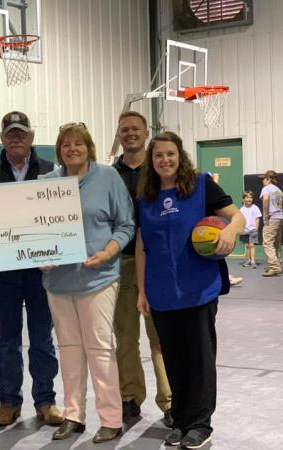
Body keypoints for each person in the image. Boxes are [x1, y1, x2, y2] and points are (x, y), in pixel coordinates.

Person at [135, 132, 244, 449]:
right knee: (174, 358)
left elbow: (237, 216)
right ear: (151, 161)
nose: (165, 160)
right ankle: (180, 419)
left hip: (198, 289)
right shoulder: (146, 196)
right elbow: (142, 246)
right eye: (158, 156)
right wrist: (141, 290)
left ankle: (200, 423)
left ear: (180, 156)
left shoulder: (200, 185)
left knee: (199, 358)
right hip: (161, 291)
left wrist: (230, 234)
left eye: (170, 154)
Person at [43, 122, 135, 443]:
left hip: (99, 277)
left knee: (100, 348)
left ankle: (111, 419)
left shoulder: (108, 177)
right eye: (66, 145)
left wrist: (108, 252)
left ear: (89, 147)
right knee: (68, 349)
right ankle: (73, 416)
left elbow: (125, 224)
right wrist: (39, 256)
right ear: (59, 150)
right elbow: (31, 230)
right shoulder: (46, 184)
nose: (72, 149)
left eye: (78, 144)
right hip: (58, 281)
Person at [0, 111, 62, 427]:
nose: (16, 138)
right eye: (10, 133)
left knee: (42, 338)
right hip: (4, 272)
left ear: (31, 136)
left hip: (41, 271)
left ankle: (46, 400)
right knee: (7, 340)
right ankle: (9, 402)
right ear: (2, 138)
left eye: (21, 133)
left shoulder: (52, 172)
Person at [111, 111, 173, 425]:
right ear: (119, 135)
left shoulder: (161, 170)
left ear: (146, 132)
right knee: (125, 338)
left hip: (155, 264)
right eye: (125, 129)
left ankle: (170, 401)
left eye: (136, 128)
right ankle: (130, 397)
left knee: (160, 336)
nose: (131, 133)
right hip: (120, 263)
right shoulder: (109, 175)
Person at [259, 170, 283, 277]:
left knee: (267, 242)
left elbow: (265, 199)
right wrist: (278, 211)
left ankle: (274, 267)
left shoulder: (266, 189)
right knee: (276, 242)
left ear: (268, 179)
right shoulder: (278, 190)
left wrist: (266, 215)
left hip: (272, 219)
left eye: (263, 179)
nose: (262, 181)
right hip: (280, 218)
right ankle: (278, 263)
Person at [239, 190, 262, 269]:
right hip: (244, 230)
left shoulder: (255, 208)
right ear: (243, 199)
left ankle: (253, 261)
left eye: (251, 197)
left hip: (253, 230)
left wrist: (256, 228)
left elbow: (257, 218)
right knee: (247, 245)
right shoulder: (241, 209)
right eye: (247, 197)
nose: (249, 199)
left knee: (251, 245)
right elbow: (240, 220)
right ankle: (248, 260)